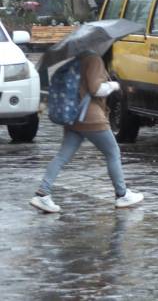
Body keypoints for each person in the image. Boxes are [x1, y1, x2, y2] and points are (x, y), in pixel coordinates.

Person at [29, 52, 144, 213]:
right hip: (91, 117)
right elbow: (96, 89)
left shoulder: (78, 60)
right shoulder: (94, 59)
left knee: (62, 156)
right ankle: (122, 194)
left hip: (74, 118)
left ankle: (43, 193)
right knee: (113, 152)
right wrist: (114, 86)